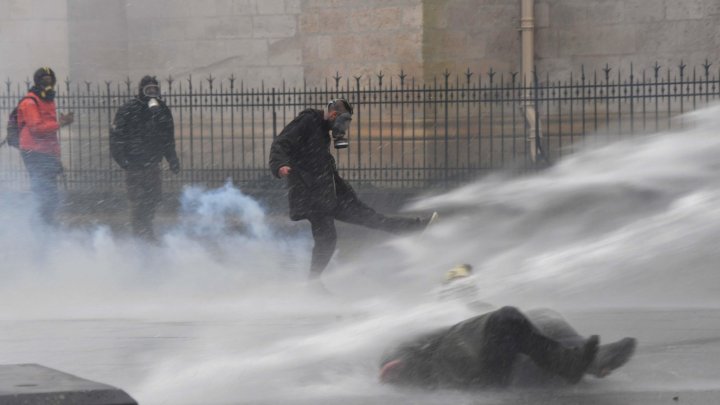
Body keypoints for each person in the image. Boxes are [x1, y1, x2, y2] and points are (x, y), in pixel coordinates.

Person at [269, 98, 437, 278]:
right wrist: (280, 164)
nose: (343, 129)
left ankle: (414, 228)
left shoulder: (323, 131)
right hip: (313, 198)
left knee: (371, 218)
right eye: (343, 123)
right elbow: (280, 142)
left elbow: (320, 164)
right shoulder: (308, 120)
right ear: (333, 115)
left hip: (330, 195)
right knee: (327, 239)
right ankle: (311, 283)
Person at [379, 306, 636, 389]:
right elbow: (390, 366)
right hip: (467, 373)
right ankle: (571, 362)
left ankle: (588, 359)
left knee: (543, 315)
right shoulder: (426, 339)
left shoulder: (458, 325)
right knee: (506, 318)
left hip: (487, 362)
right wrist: (401, 365)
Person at [110, 75, 180, 240]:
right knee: (138, 200)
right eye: (148, 90)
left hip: (152, 163)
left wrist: (172, 159)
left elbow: (167, 137)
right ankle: (140, 232)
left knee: (153, 198)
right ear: (141, 91)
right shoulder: (129, 109)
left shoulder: (161, 109)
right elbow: (116, 136)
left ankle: (146, 226)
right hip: (134, 164)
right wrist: (122, 159)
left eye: (154, 90)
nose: (151, 93)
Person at [17, 67, 74, 225]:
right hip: (34, 151)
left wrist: (56, 156)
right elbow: (36, 128)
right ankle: (40, 227)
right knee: (45, 193)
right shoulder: (30, 102)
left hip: (46, 152)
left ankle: (46, 225)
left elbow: (49, 132)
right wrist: (59, 123)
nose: (48, 84)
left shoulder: (47, 101)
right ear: (38, 82)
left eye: (51, 81)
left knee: (50, 194)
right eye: (45, 81)